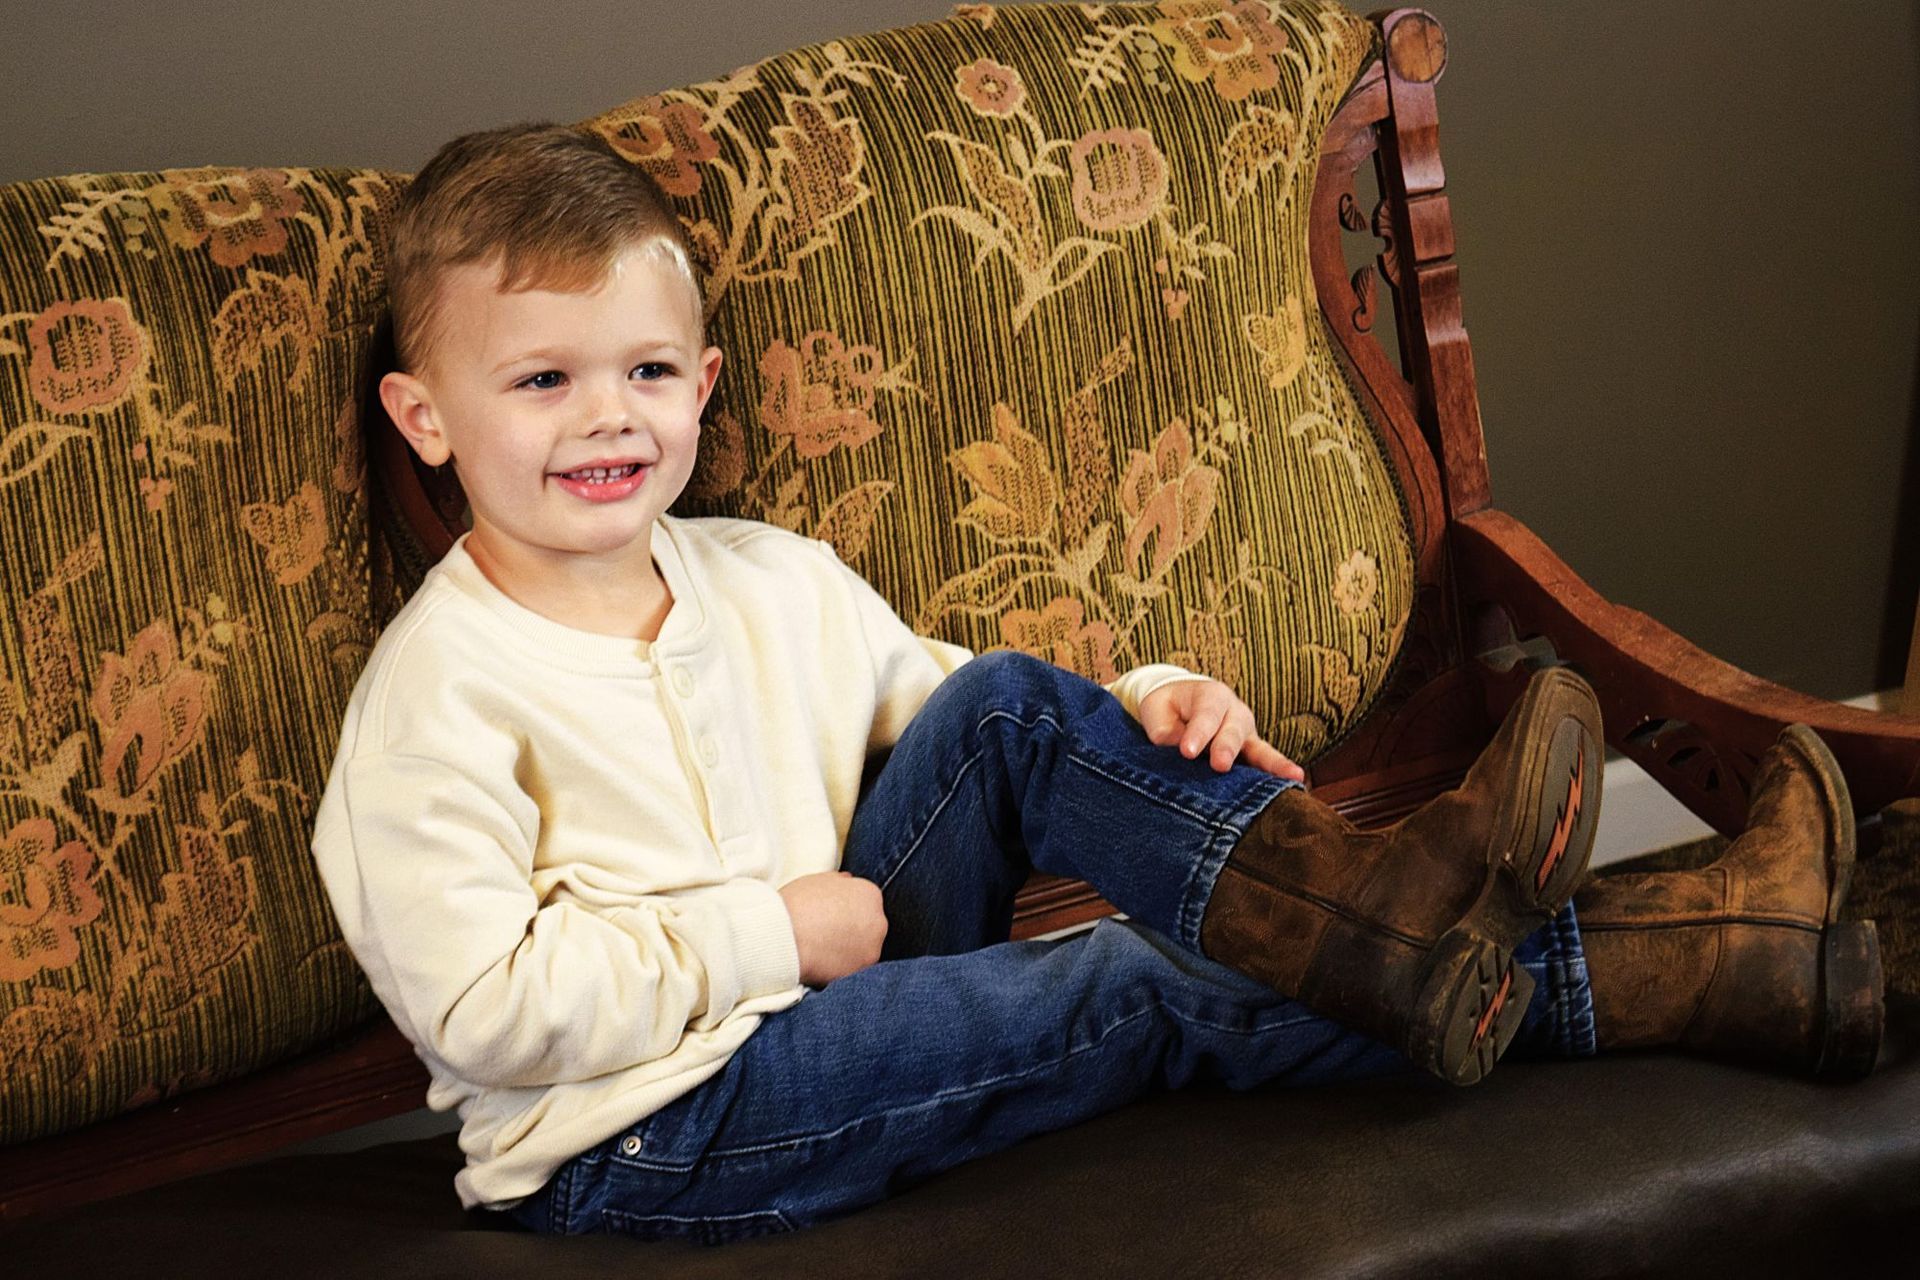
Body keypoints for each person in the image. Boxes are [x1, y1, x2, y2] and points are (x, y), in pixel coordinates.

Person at [309, 121, 1886, 1245]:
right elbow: (485, 1011)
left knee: (1001, 696)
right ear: (426, 415)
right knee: (1128, 986)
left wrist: (1150, 703)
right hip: (652, 1127)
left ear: (703, 383)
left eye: (646, 371)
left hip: (841, 968)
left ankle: (1413, 917)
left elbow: (952, 721)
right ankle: (1687, 958)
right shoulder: (436, 700)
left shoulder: (759, 574)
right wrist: (760, 933)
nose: (610, 420)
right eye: (542, 380)